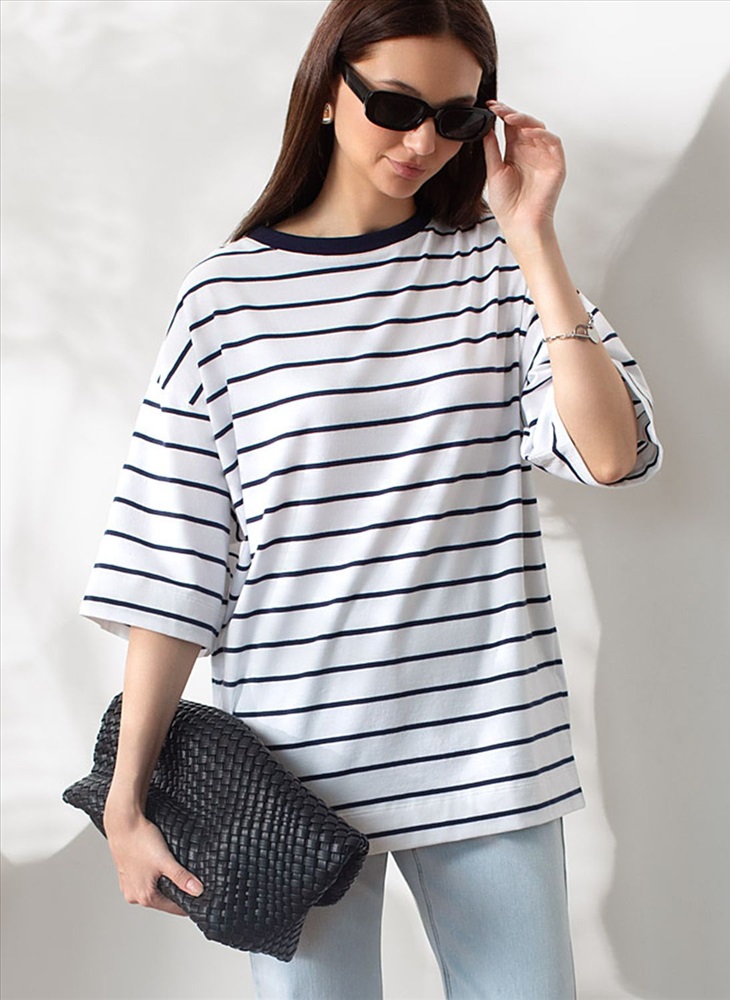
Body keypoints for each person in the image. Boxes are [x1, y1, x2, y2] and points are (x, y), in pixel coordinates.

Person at [81, 0, 662, 996]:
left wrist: (533, 237)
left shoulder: (496, 272)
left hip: (487, 748)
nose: (422, 142)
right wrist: (125, 803)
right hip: (287, 777)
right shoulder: (223, 300)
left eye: (456, 117)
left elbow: (609, 454)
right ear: (325, 93)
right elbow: (174, 563)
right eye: (394, 105)